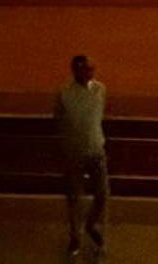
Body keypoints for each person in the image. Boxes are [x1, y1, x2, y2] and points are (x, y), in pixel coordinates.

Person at [53, 52, 109, 256]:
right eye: (87, 69)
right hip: (74, 153)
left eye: (92, 68)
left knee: (102, 194)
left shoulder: (101, 89)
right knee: (75, 198)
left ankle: (91, 225)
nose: (91, 72)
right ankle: (75, 237)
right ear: (75, 70)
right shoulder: (64, 93)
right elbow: (59, 120)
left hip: (96, 150)